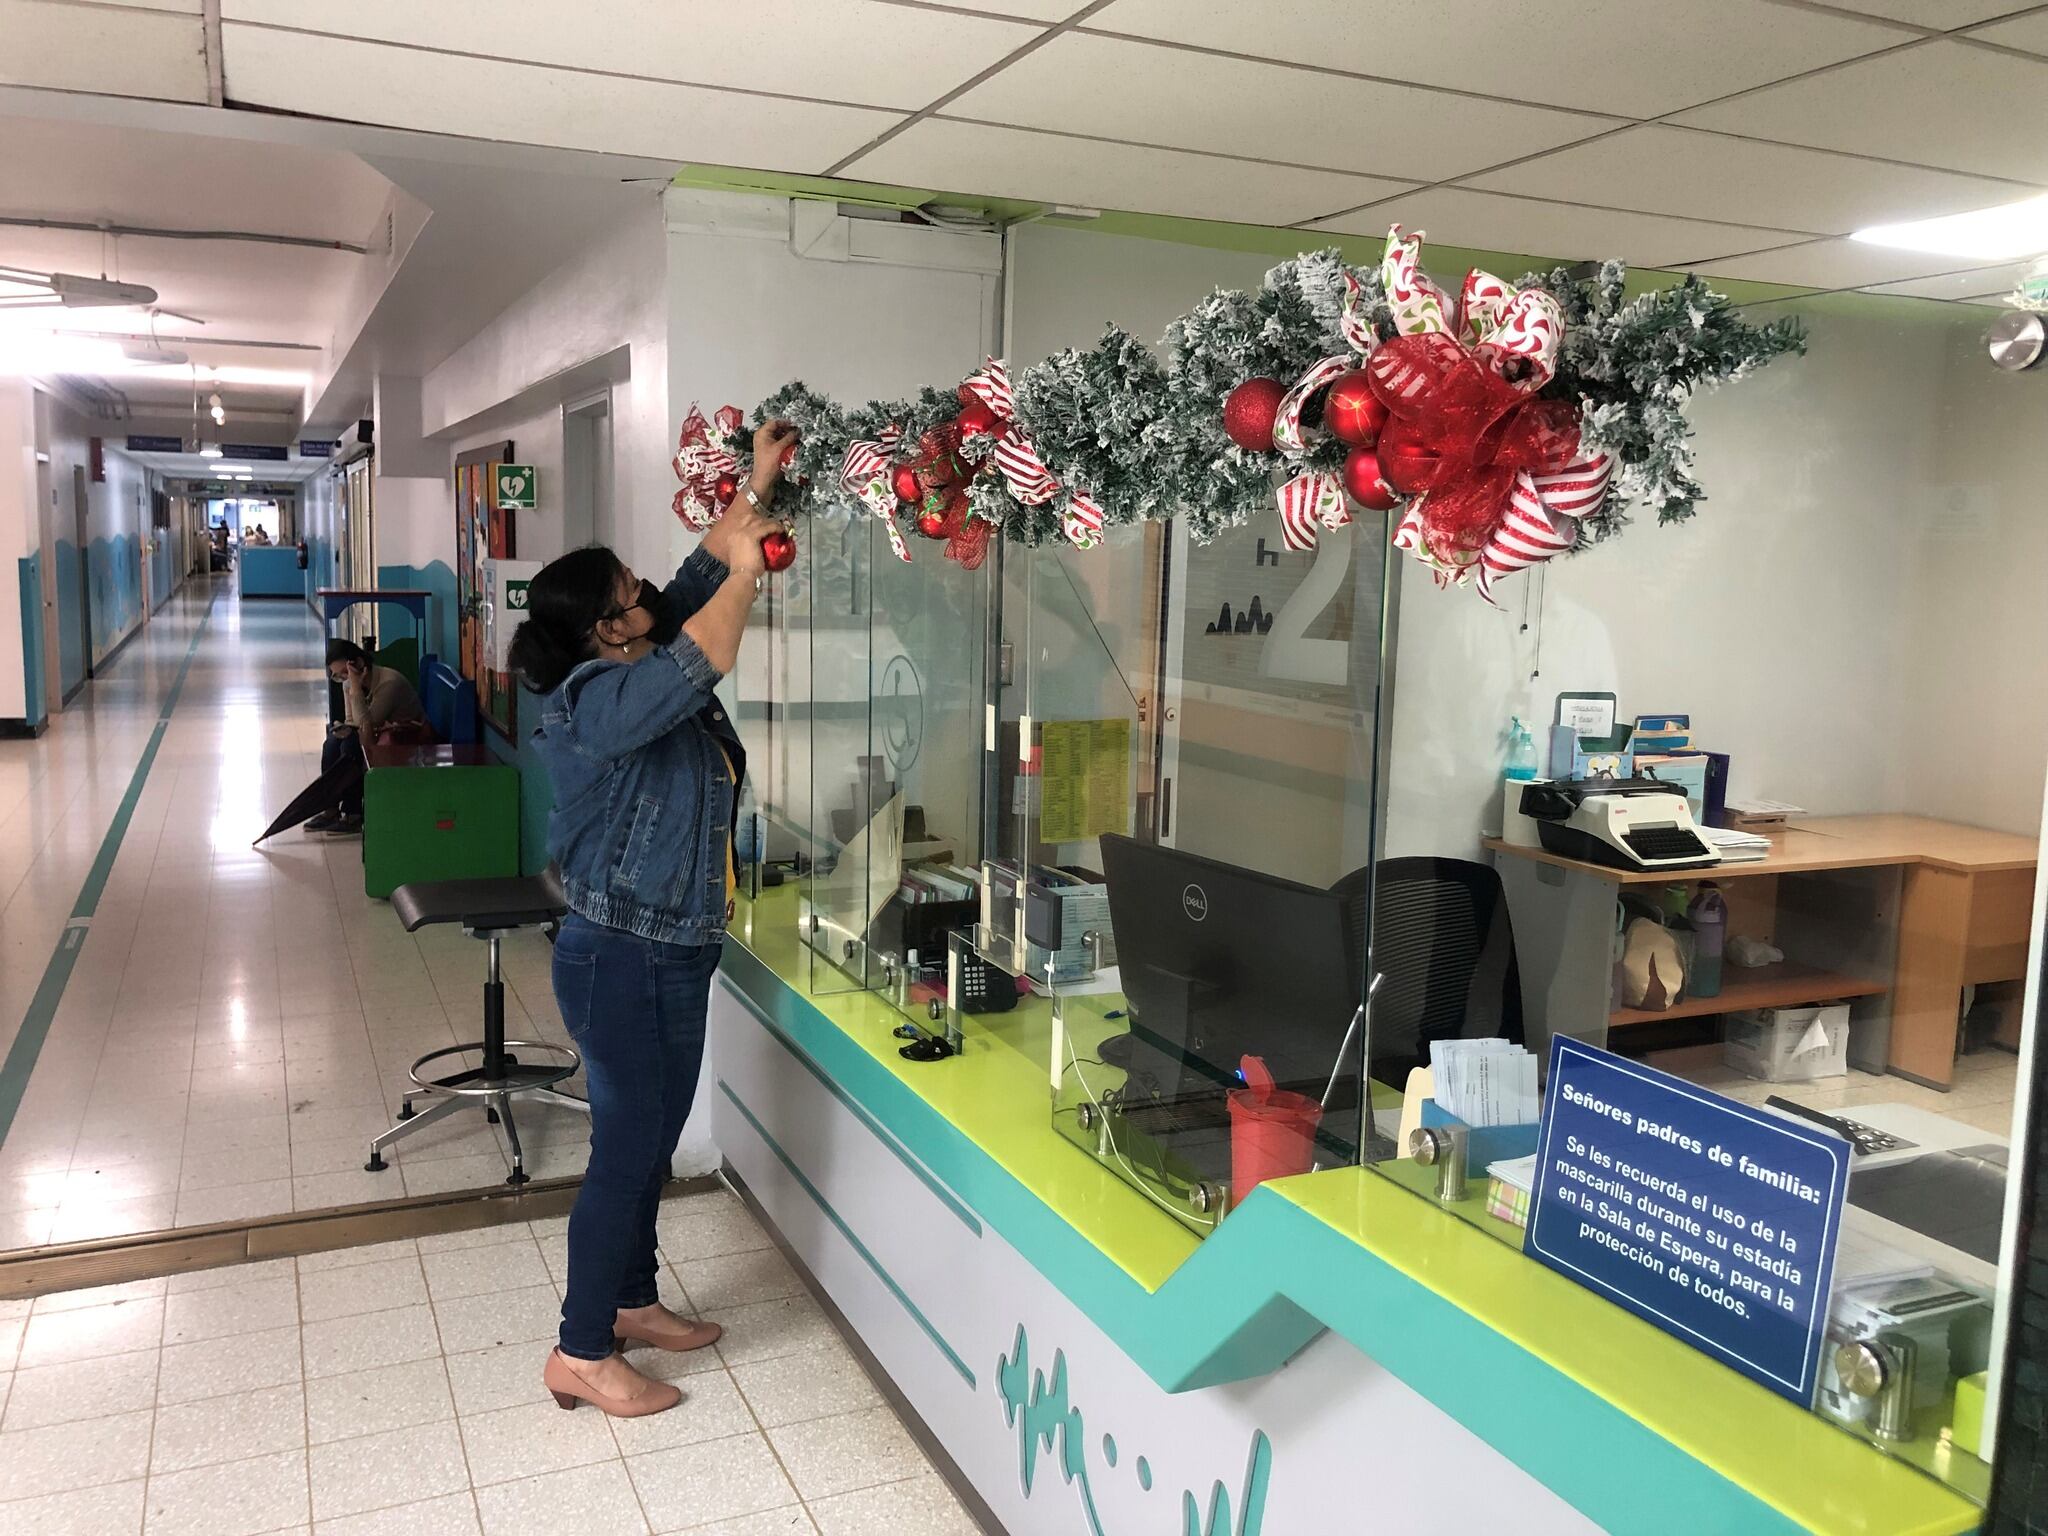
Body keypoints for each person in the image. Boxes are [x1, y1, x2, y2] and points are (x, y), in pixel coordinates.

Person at [507, 417, 795, 1418]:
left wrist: (755, 488)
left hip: (673, 945)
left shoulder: (632, 643)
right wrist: (750, 575)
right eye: (630, 594)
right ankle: (581, 1350)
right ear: (606, 629)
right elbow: (707, 644)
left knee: (654, 1135)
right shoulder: (599, 700)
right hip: (617, 954)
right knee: (626, 1149)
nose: (648, 596)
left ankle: (630, 1300)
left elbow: (695, 573)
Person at [308, 638, 428, 835]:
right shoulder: (349, 683)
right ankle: (330, 807)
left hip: (406, 737)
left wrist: (354, 687)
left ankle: (353, 813)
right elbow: (352, 721)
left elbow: (366, 723)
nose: (344, 679)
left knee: (350, 748)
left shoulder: (389, 683)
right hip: (378, 733)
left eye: (345, 672)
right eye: (338, 676)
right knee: (331, 744)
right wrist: (343, 726)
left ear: (359, 663)